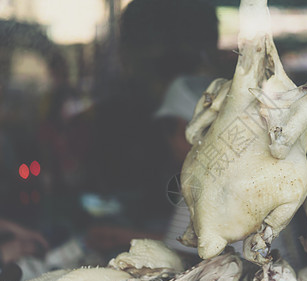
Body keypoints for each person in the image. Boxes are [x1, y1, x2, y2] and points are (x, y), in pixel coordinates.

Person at [84, 0, 221, 255]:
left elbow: (201, 251)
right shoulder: (196, 181)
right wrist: (128, 236)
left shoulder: (217, 182)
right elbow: (183, 244)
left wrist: (127, 237)